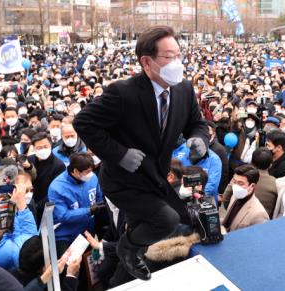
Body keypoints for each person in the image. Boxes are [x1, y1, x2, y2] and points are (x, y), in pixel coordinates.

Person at [73, 25, 209, 280]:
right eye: (169, 57)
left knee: (175, 217)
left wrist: (198, 138)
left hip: (156, 178)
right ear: (147, 62)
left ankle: (127, 259)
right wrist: (119, 153)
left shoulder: (184, 89)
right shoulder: (122, 93)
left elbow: (197, 123)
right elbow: (83, 123)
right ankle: (127, 249)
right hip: (124, 181)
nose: (177, 63)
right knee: (167, 220)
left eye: (179, 55)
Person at [48, 153, 104, 254]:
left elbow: (99, 199)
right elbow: (63, 215)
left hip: (88, 233)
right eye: (87, 172)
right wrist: (89, 211)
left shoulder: (93, 178)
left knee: (88, 267)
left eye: (91, 170)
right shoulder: (57, 188)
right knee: (70, 267)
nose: (90, 174)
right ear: (75, 171)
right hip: (67, 236)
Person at [222, 164, 269, 232]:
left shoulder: (259, 214)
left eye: (240, 183)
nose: (235, 186)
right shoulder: (235, 196)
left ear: (252, 186)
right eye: (234, 182)